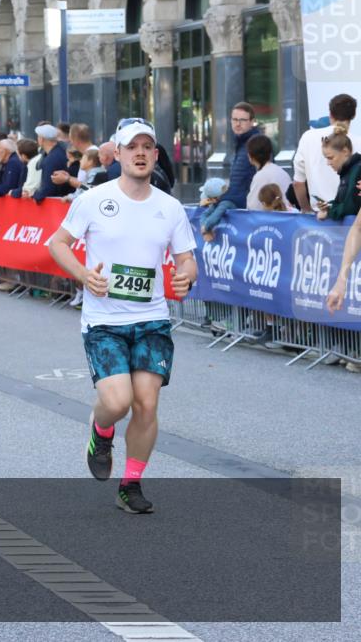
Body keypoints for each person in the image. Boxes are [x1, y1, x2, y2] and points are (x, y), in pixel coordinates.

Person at [48, 117, 197, 514]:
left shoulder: (170, 207)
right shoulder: (95, 199)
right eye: (133, 147)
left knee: (146, 404)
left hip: (152, 319)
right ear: (118, 153)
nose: (141, 154)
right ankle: (102, 429)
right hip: (104, 322)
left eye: (148, 147)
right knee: (117, 402)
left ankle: (130, 484)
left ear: (156, 154)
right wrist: (83, 275)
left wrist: (185, 278)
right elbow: (57, 243)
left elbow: (186, 259)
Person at [200, 103, 261, 240]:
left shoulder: (256, 143)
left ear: (252, 122)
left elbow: (249, 182)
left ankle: (207, 231)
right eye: (234, 119)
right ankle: (206, 232)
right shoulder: (241, 143)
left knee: (219, 208)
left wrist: (226, 197)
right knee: (207, 209)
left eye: (242, 120)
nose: (238, 124)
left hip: (249, 204)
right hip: (236, 197)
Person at [294, 94, 360, 214]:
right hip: (351, 218)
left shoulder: (308, 137)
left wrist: (306, 210)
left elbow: (298, 183)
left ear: (330, 114)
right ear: (354, 115)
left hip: (318, 215)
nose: (329, 163)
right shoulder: (359, 142)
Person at [316, 125, 361, 222]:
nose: (328, 163)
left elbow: (351, 208)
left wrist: (329, 211)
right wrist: (327, 206)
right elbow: (342, 202)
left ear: (345, 151)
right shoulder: (346, 172)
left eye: (330, 158)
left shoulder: (357, 170)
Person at [246, 135, 294, 211]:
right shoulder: (282, 172)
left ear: (250, 156)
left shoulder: (260, 176)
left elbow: (253, 207)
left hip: (271, 220)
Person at [32, 123, 72, 202]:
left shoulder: (51, 159)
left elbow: (48, 188)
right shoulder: (60, 151)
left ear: (42, 139)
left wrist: (36, 195)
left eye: (38, 137)